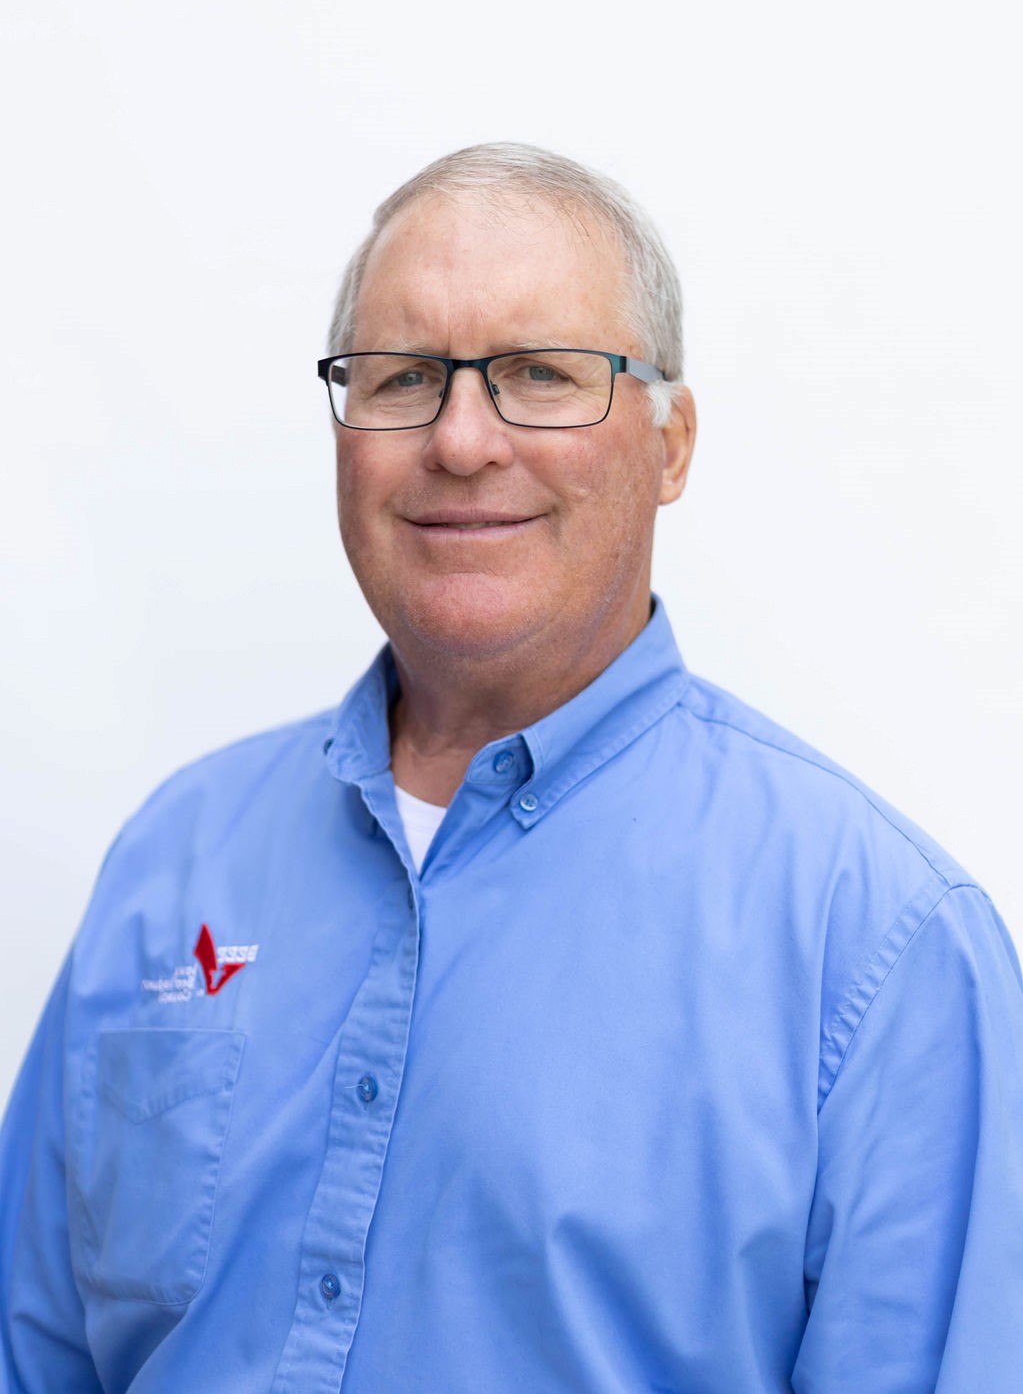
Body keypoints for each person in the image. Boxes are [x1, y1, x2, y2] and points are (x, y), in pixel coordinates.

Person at [1, 142, 1021, 1394]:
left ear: (672, 443)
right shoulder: (175, 855)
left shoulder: (880, 948)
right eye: (405, 376)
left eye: (541, 374)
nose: (462, 438)